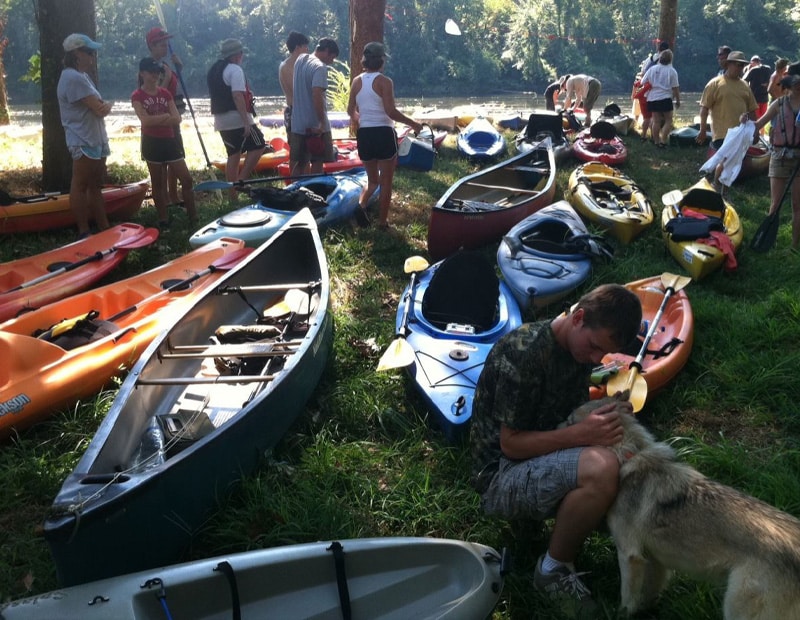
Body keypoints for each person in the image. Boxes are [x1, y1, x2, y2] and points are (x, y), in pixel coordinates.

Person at [470, 284, 642, 613]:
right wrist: (581, 434)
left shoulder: (576, 349)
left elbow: (566, 414)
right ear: (578, 318)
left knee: (623, 454)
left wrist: (607, 409)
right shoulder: (526, 352)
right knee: (603, 468)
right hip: (500, 476)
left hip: (539, 451)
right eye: (594, 347)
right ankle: (552, 569)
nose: (595, 359)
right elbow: (511, 444)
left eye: (602, 354)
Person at [346, 41, 422, 229]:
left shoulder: (357, 81)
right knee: (386, 181)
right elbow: (390, 111)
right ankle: (382, 223)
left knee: (372, 180)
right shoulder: (384, 82)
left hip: (364, 134)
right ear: (381, 61)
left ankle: (361, 205)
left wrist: (361, 119)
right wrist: (413, 123)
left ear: (364, 60)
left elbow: (350, 110)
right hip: (383, 133)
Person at [56, 33, 113, 239]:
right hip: (83, 139)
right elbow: (99, 109)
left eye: (93, 52)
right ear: (76, 53)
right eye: (88, 52)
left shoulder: (82, 76)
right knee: (80, 184)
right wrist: (106, 106)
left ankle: (103, 227)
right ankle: (83, 231)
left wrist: (103, 106)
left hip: (94, 138)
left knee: (95, 184)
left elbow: (97, 107)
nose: (92, 56)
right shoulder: (73, 77)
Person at [131, 57, 196, 230]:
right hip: (152, 142)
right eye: (151, 73)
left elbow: (177, 118)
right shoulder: (137, 95)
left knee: (187, 180)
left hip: (169, 140)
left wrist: (159, 119)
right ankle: (163, 219)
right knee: (158, 183)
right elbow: (145, 121)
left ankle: (193, 217)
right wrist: (164, 118)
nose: (155, 76)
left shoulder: (165, 93)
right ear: (142, 74)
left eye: (157, 73)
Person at [207, 38, 266, 197]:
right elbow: (237, 96)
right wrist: (246, 122)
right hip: (237, 119)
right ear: (237, 55)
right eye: (241, 53)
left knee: (233, 154)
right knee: (259, 144)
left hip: (221, 120)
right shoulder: (235, 70)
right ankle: (241, 181)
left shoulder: (214, 69)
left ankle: (232, 195)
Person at [749, 73, 800, 251]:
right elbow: (759, 123)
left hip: (799, 160)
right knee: (775, 203)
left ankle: (794, 245)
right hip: (779, 157)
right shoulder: (778, 104)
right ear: (788, 84)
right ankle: (768, 241)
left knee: (797, 204)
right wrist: (747, 122)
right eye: (796, 82)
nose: (799, 86)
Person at [145, 26, 186, 206]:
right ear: (152, 46)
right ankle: (163, 201)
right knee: (162, 164)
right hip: (160, 122)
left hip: (172, 119)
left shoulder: (165, 65)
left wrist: (178, 68)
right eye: (161, 44)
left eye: (165, 43)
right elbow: (153, 92)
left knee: (174, 159)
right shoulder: (148, 67)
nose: (165, 47)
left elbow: (172, 86)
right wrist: (168, 77)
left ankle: (173, 195)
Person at [289, 37, 340, 175]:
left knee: (299, 161)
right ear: (327, 52)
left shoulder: (301, 59)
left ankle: (295, 190)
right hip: (315, 126)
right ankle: (316, 191)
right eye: (332, 57)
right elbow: (316, 94)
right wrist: (322, 122)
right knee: (318, 160)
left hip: (298, 123)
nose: (332, 61)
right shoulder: (320, 67)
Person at [697, 51, 758, 148]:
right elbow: (704, 109)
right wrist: (703, 130)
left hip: (741, 134)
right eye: (737, 64)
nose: (739, 68)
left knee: (739, 163)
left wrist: (755, 131)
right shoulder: (715, 83)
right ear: (728, 64)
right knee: (723, 163)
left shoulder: (745, 85)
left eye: (742, 65)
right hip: (721, 135)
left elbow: (752, 112)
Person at [641, 49, 680, 149]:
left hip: (652, 98)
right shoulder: (672, 71)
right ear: (670, 59)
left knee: (656, 121)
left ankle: (656, 142)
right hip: (666, 98)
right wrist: (678, 100)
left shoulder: (652, 69)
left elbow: (642, 82)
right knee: (668, 120)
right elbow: (675, 88)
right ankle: (663, 141)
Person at [278, 31, 309, 139]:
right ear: (297, 48)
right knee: (297, 148)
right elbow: (297, 91)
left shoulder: (301, 65)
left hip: (305, 110)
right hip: (295, 112)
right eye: (305, 47)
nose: (307, 50)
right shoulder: (286, 67)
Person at [743, 55, 772, 126]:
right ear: (759, 61)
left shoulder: (753, 70)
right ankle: (761, 135)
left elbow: (744, 80)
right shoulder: (768, 68)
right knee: (763, 120)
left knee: (754, 120)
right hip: (765, 98)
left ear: (752, 62)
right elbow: (769, 81)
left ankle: (755, 134)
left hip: (754, 99)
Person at [631, 72, 652, 141]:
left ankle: (643, 135)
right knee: (653, 119)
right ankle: (653, 136)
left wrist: (633, 95)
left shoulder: (640, 82)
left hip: (641, 101)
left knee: (646, 118)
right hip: (650, 100)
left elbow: (635, 85)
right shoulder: (652, 82)